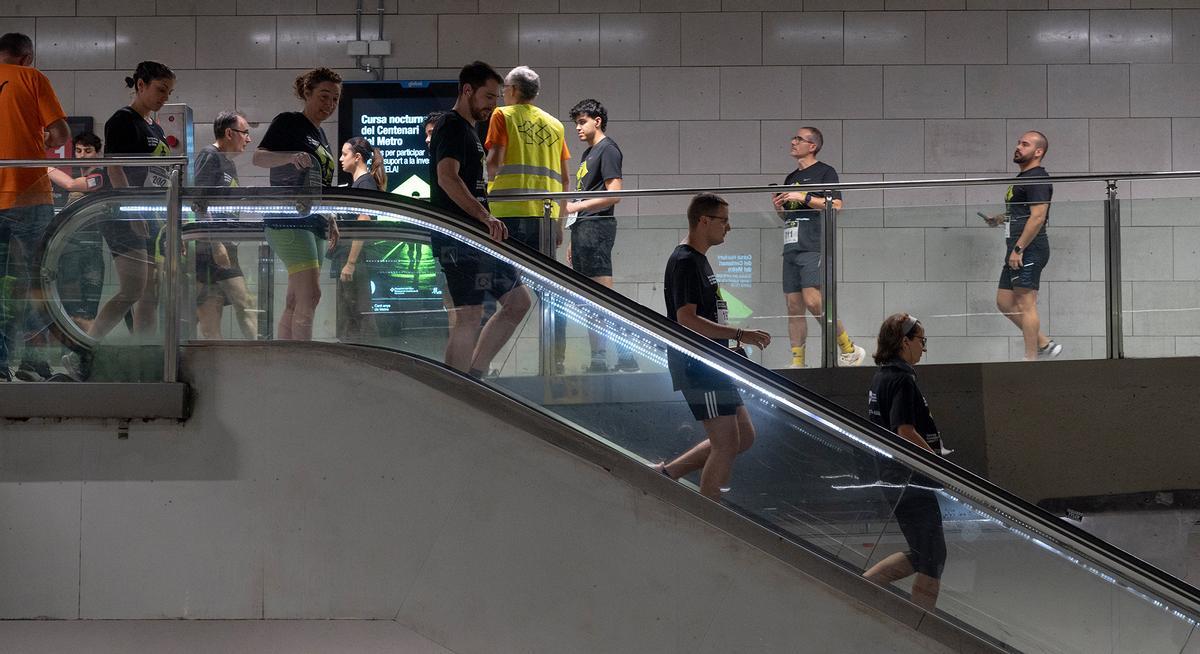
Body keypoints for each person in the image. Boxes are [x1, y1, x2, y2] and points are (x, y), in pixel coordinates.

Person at [654, 193, 771, 500]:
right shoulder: (684, 262)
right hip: (696, 366)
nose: (728, 228)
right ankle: (710, 520)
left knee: (744, 436)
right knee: (726, 443)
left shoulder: (699, 261)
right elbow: (686, 319)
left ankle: (668, 474)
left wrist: (726, 346)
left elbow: (703, 316)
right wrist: (739, 334)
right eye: (724, 220)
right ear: (704, 221)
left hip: (712, 361)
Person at [429, 61, 530, 378]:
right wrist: (484, 216)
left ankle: (474, 373)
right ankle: (455, 387)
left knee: (518, 302)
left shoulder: (468, 130)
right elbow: (447, 177)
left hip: (478, 237)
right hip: (460, 238)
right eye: (488, 96)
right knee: (469, 315)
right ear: (467, 90)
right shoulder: (450, 125)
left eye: (496, 97)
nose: (493, 105)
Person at [862, 313, 947, 611]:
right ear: (904, 341)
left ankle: (861, 590)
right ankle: (918, 624)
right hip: (909, 480)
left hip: (896, 477)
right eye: (921, 341)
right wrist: (937, 463)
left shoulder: (883, 375)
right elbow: (904, 431)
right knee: (932, 556)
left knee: (926, 553)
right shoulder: (902, 379)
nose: (923, 348)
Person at [252, 67, 342, 341]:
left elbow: (319, 183)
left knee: (295, 298)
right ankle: (303, 363)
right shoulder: (289, 122)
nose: (330, 104)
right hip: (288, 218)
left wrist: (331, 216)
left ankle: (285, 359)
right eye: (324, 96)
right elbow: (258, 157)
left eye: (335, 99)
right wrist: (290, 156)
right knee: (310, 295)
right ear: (307, 93)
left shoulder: (321, 135)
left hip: (313, 220)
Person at [0, 32, 70, 382]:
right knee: (33, 280)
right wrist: (42, 138)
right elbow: (60, 133)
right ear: (27, 58)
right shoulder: (32, 77)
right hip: (27, 193)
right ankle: (32, 361)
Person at [772, 126, 865, 368]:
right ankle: (798, 360)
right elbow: (790, 215)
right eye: (793, 138)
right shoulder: (790, 178)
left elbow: (835, 205)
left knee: (813, 300)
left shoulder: (825, 172)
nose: (793, 142)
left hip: (813, 245)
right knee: (793, 305)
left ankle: (848, 348)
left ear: (812, 146)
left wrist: (802, 197)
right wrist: (780, 208)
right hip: (791, 245)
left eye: (799, 139)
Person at [564, 98, 637, 373]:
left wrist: (576, 207)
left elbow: (614, 194)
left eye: (582, 122)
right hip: (584, 229)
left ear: (597, 120)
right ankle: (608, 354)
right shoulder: (588, 153)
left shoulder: (608, 149)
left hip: (597, 227)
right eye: (576, 124)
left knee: (599, 297)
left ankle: (614, 353)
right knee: (590, 297)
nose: (578, 129)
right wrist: (573, 234)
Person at [984, 131, 1061, 361]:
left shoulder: (1036, 178)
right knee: (1005, 301)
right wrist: (1000, 218)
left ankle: (1031, 360)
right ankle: (1043, 343)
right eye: (1018, 143)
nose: (1018, 146)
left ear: (1038, 152)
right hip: (1018, 247)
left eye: (1025, 144)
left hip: (1029, 248)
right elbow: (1023, 213)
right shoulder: (1023, 178)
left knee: (1026, 303)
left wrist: (1019, 249)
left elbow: (1038, 217)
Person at [485, 65, 570, 255]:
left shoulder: (502, 115)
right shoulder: (555, 125)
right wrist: (559, 224)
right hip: (546, 215)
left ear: (513, 89)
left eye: (504, 87)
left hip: (507, 213)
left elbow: (493, 165)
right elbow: (565, 180)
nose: (503, 93)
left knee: (506, 278)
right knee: (545, 278)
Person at [192, 110, 257, 340]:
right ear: (229, 133)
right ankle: (258, 357)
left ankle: (221, 365)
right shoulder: (210, 156)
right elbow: (198, 202)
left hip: (222, 244)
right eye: (245, 133)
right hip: (212, 247)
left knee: (213, 313)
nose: (248, 139)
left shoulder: (226, 162)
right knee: (244, 302)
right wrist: (216, 244)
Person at [47, 132, 107, 335]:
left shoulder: (99, 177)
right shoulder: (81, 177)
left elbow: (71, 185)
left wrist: (45, 166)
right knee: (71, 311)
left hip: (90, 251)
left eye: (88, 151)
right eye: (78, 151)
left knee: (87, 312)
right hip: (70, 252)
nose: (81, 156)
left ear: (98, 153)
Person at [334, 135, 387, 342]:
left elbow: (362, 222)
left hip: (355, 259)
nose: (340, 158)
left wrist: (350, 263)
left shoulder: (364, 184)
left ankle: (369, 358)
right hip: (350, 258)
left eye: (344, 154)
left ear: (357, 157)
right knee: (352, 312)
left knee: (358, 311)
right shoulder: (360, 184)